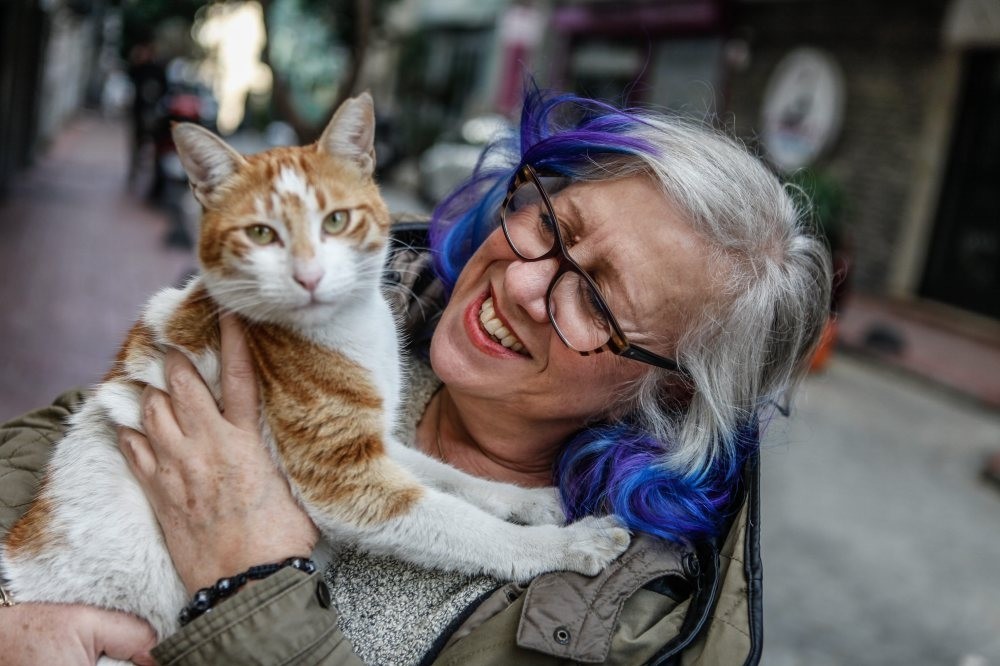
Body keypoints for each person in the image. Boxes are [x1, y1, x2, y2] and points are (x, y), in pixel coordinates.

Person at [0, 89, 832, 665]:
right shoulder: (330, 319)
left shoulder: (621, 629)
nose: (523, 282)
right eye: (553, 222)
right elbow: (53, 452)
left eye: (597, 300)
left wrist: (251, 577)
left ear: (669, 389)